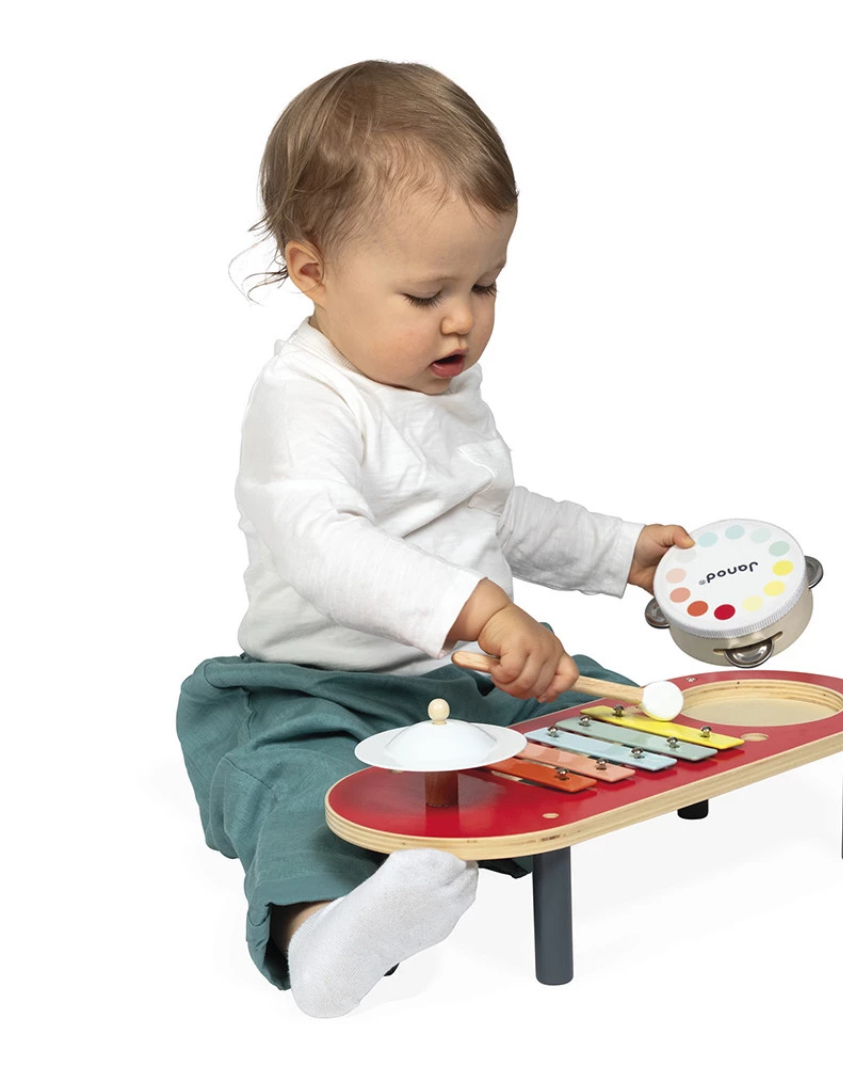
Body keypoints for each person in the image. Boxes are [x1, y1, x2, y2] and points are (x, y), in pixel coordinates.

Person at [177, 59, 694, 1019]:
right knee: (294, 791)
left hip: (459, 684)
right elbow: (318, 542)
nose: (461, 319)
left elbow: (492, 510)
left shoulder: (441, 384)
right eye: (425, 295)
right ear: (313, 272)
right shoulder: (305, 400)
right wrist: (478, 605)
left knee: (607, 703)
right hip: (321, 690)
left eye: (485, 282)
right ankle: (325, 934)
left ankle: (644, 784)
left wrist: (618, 551)